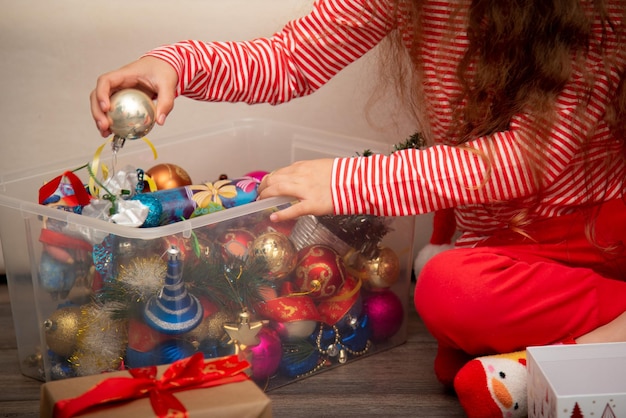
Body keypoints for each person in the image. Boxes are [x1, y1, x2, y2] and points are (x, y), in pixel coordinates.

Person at [91, 1, 626, 416]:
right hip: (496, 235)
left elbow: (522, 163)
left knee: (447, 291)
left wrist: (350, 181)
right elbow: (288, 59)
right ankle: (564, 358)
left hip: (589, 235)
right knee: (447, 294)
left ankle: (594, 341)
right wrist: (174, 64)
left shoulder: (591, 15)